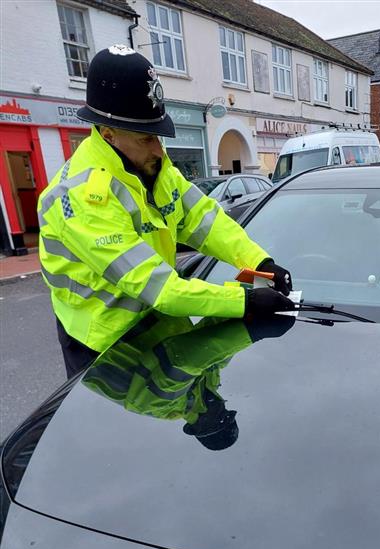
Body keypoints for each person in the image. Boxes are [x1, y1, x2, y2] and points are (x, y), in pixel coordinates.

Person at [37, 45, 294, 378]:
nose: (159, 149)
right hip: (104, 345)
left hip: (158, 323)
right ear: (108, 134)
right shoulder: (83, 197)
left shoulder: (153, 165)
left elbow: (205, 220)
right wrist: (245, 300)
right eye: (147, 138)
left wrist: (259, 262)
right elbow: (160, 288)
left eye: (158, 135)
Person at [83, 313, 295, 450]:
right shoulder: (209, 386)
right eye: (227, 415)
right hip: (140, 306)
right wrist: (250, 301)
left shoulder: (163, 406)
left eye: (220, 420)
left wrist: (251, 332)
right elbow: (213, 344)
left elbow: (178, 358)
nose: (223, 411)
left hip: (98, 323)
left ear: (198, 428)